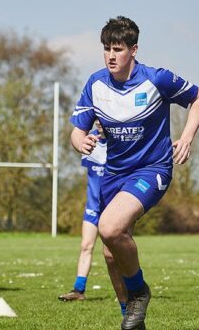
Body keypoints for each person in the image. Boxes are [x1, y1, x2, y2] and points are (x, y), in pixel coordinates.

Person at [70, 16, 199, 330]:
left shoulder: (156, 79)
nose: (111, 55)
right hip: (114, 174)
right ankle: (131, 321)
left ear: (134, 50)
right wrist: (83, 141)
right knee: (109, 253)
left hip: (152, 168)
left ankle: (140, 291)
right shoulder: (95, 84)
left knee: (109, 227)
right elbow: (76, 131)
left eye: (117, 49)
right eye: (106, 49)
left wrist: (186, 138)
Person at [58, 122, 128, 316]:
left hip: (114, 208)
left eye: (101, 119)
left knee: (115, 252)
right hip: (93, 205)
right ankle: (79, 290)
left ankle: (127, 291)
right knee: (86, 245)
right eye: (95, 119)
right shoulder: (90, 142)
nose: (98, 122)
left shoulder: (120, 144)